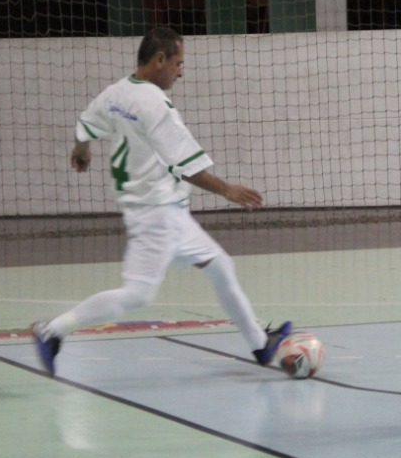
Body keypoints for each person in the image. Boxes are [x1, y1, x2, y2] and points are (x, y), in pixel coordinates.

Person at [31, 26, 290, 376]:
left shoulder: (116, 92)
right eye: (179, 64)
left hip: (161, 210)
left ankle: (260, 345)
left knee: (220, 267)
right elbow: (186, 167)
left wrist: (82, 151)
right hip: (157, 213)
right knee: (137, 294)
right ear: (159, 59)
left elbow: (85, 124)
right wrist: (227, 190)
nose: (181, 72)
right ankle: (53, 330)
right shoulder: (155, 104)